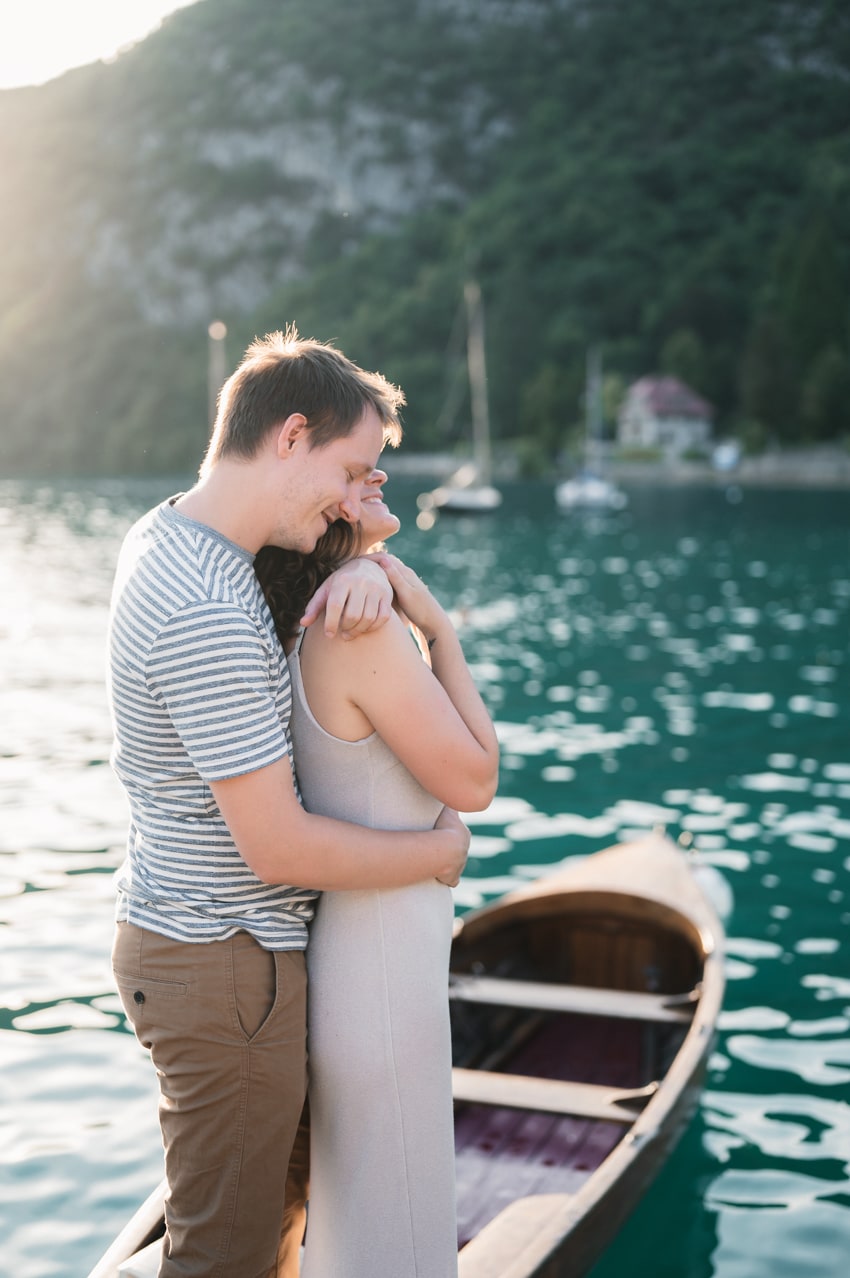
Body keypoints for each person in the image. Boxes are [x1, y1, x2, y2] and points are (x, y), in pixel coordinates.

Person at [106, 329, 470, 1278]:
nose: (357, 497)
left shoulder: (180, 538)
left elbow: (349, 530)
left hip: (209, 951)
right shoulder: (206, 606)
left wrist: (365, 562)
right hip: (220, 962)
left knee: (273, 1222)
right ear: (290, 434)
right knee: (224, 1257)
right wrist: (432, 857)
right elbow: (276, 846)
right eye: (352, 470)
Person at [255, 469, 499, 1277]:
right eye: (359, 475)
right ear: (327, 510)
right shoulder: (359, 630)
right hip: (386, 977)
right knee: (400, 1246)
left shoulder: (305, 616)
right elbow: (476, 781)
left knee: (367, 1235)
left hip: (363, 964)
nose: (382, 475)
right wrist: (442, 630)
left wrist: (379, 579)